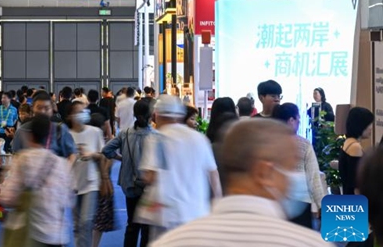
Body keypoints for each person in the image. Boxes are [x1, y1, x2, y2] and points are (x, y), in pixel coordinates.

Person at [152, 119, 327, 247]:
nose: (294, 178)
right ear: (264, 173)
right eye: (290, 168)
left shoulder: (171, 242)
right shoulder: (310, 243)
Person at [140, 95, 221, 239]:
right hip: (196, 212)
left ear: (156, 115)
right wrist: (218, 202)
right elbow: (213, 174)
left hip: (167, 214)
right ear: (180, 115)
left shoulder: (156, 139)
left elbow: (150, 176)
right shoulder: (199, 138)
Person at [0, 115, 74, 247]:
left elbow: (6, 198)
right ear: (49, 138)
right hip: (56, 234)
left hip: (28, 234)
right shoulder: (61, 164)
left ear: (30, 136)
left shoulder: (22, 160)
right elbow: (68, 200)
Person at [103, 99, 155, 247]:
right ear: (151, 115)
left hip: (130, 184)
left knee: (132, 224)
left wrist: (122, 158)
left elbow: (106, 150)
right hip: (148, 186)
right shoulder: (156, 136)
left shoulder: (125, 134)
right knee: (147, 227)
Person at [270, 103, 325, 228]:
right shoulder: (304, 145)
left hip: (276, 202)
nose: (299, 122)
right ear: (291, 120)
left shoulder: (269, 143)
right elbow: (313, 178)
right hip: (301, 203)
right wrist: (321, 204)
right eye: (298, 118)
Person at [66, 101, 104, 247]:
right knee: (77, 225)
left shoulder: (95, 132)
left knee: (87, 221)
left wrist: (92, 154)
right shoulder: (66, 135)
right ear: (70, 116)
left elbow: (102, 155)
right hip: (72, 183)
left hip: (91, 182)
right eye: (78, 111)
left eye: (84, 110)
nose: (83, 114)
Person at [11, 91, 77, 161]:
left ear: (52, 110)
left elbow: (72, 153)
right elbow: (16, 157)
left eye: (46, 108)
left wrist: (65, 169)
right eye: (39, 108)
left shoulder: (60, 130)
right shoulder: (22, 131)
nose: (42, 111)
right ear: (32, 109)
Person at [339, 106, 374, 196]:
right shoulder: (355, 147)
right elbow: (356, 184)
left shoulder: (348, 142)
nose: (371, 128)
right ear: (361, 125)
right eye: (369, 124)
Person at [308, 87, 335, 152]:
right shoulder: (314, 106)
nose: (314, 96)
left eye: (316, 94)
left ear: (321, 95)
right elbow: (308, 114)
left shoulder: (327, 105)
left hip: (324, 131)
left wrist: (326, 124)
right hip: (315, 130)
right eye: (313, 94)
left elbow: (331, 117)